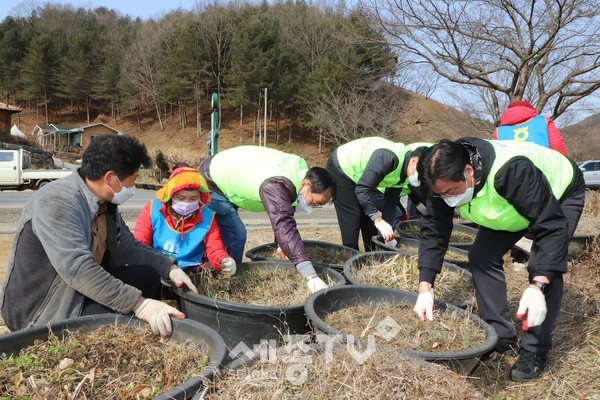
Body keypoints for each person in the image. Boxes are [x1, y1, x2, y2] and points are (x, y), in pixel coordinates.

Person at [413, 138, 585, 382]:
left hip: (559, 193)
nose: (448, 199)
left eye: (452, 192)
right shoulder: (439, 180)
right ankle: (501, 334)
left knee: (543, 265)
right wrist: (425, 287)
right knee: (481, 256)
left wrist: (538, 285)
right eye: (441, 195)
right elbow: (434, 231)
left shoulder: (512, 171)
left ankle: (534, 350)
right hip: (508, 206)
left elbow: (552, 227)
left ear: (469, 171)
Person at [0, 135, 198, 338]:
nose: (133, 187)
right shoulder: (58, 201)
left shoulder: (104, 201)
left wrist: (170, 268)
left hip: (77, 289)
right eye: (133, 180)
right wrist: (139, 304)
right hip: (44, 309)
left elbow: (128, 246)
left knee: (148, 276)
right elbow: (78, 269)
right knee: (131, 327)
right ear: (111, 178)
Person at [198, 145, 335, 293]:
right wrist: (311, 276)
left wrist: (282, 245)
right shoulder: (276, 185)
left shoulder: (298, 173)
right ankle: (228, 282)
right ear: (306, 185)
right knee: (236, 234)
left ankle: (221, 269)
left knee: (228, 232)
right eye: (314, 202)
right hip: (212, 178)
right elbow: (283, 224)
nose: (312, 207)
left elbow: (284, 213)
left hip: (227, 173)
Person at [325, 136, 430, 251]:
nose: (419, 178)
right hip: (343, 167)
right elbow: (362, 190)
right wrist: (378, 219)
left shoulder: (405, 173)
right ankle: (350, 258)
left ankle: (372, 255)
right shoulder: (389, 158)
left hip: (362, 178)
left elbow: (390, 202)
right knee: (352, 218)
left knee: (368, 219)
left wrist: (387, 233)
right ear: (414, 161)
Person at [134, 166, 236, 275]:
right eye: (181, 198)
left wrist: (223, 261)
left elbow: (215, 248)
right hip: (158, 267)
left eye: (193, 198)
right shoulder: (152, 209)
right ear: (170, 195)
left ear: (200, 197)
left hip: (191, 271)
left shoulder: (208, 216)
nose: (187, 203)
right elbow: (139, 244)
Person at [493, 99, 568, 156]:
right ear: (531, 109)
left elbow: (495, 157)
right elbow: (558, 149)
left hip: (510, 174)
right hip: (544, 172)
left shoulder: (499, 131)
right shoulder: (543, 121)